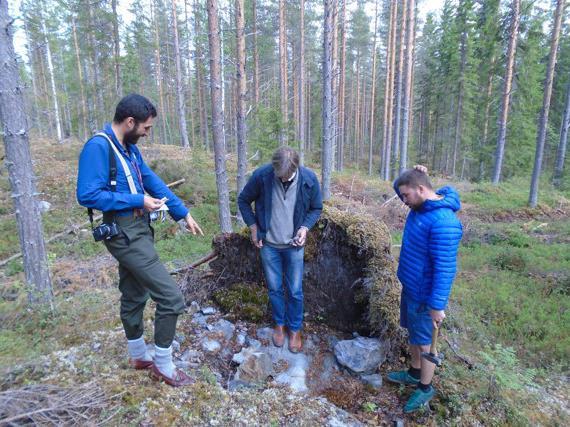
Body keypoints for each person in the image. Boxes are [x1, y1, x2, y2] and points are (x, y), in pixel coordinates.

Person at [76, 94, 203, 387]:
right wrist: (138, 200)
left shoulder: (130, 149)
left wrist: (182, 212)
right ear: (130, 122)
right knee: (171, 298)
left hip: (139, 229)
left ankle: (138, 355)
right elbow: (87, 195)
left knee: (134, 293)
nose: (147, 133)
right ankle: (163, 365)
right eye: (146, 128)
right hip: (123, 232)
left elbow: (151, 180)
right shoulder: (98, 147)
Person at [387, 166, 462, 413]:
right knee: (414, 334)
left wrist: (437, 306)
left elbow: (445, 268)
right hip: (411, 286)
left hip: (426, 296)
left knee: (425, 344)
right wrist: (414, 171)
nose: (403, 201)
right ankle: (414, 371)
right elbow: (412, 185)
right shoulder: (422, 204)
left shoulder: (444, 222)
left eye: (405, 196)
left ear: (421, 190)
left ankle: (425, 387)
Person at [237, 147, 322, 353]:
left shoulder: (308, 179)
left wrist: (304, 228)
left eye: (286, 176)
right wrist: (254, 227)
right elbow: (243, 200)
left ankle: (294, 329)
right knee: (275, 288)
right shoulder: (263, 175)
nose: (282, 180)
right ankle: (279, 325)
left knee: (294, 290)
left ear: (295, 168)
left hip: (294, 246)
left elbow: (316, 208)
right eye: (279, 176)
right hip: (269, 245)